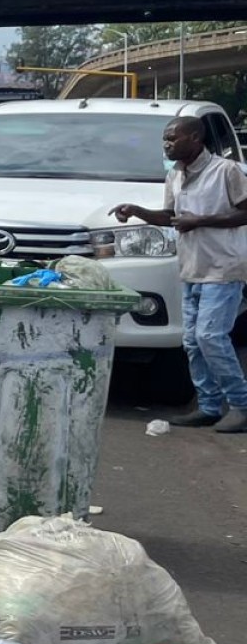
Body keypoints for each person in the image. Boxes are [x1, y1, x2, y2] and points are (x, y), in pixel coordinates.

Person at [113, 115, 247, 432]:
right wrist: (137, 211)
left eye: (173, 138)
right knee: (192, 341)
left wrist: (200, 221)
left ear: (196, 139)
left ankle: (241, 405)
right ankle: (210, 406)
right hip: (191, 268)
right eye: (165, 139)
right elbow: (171, 217)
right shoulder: (175, 174)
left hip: (223, 268)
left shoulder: (225, 171)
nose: (167, 144)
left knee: (210, 337)